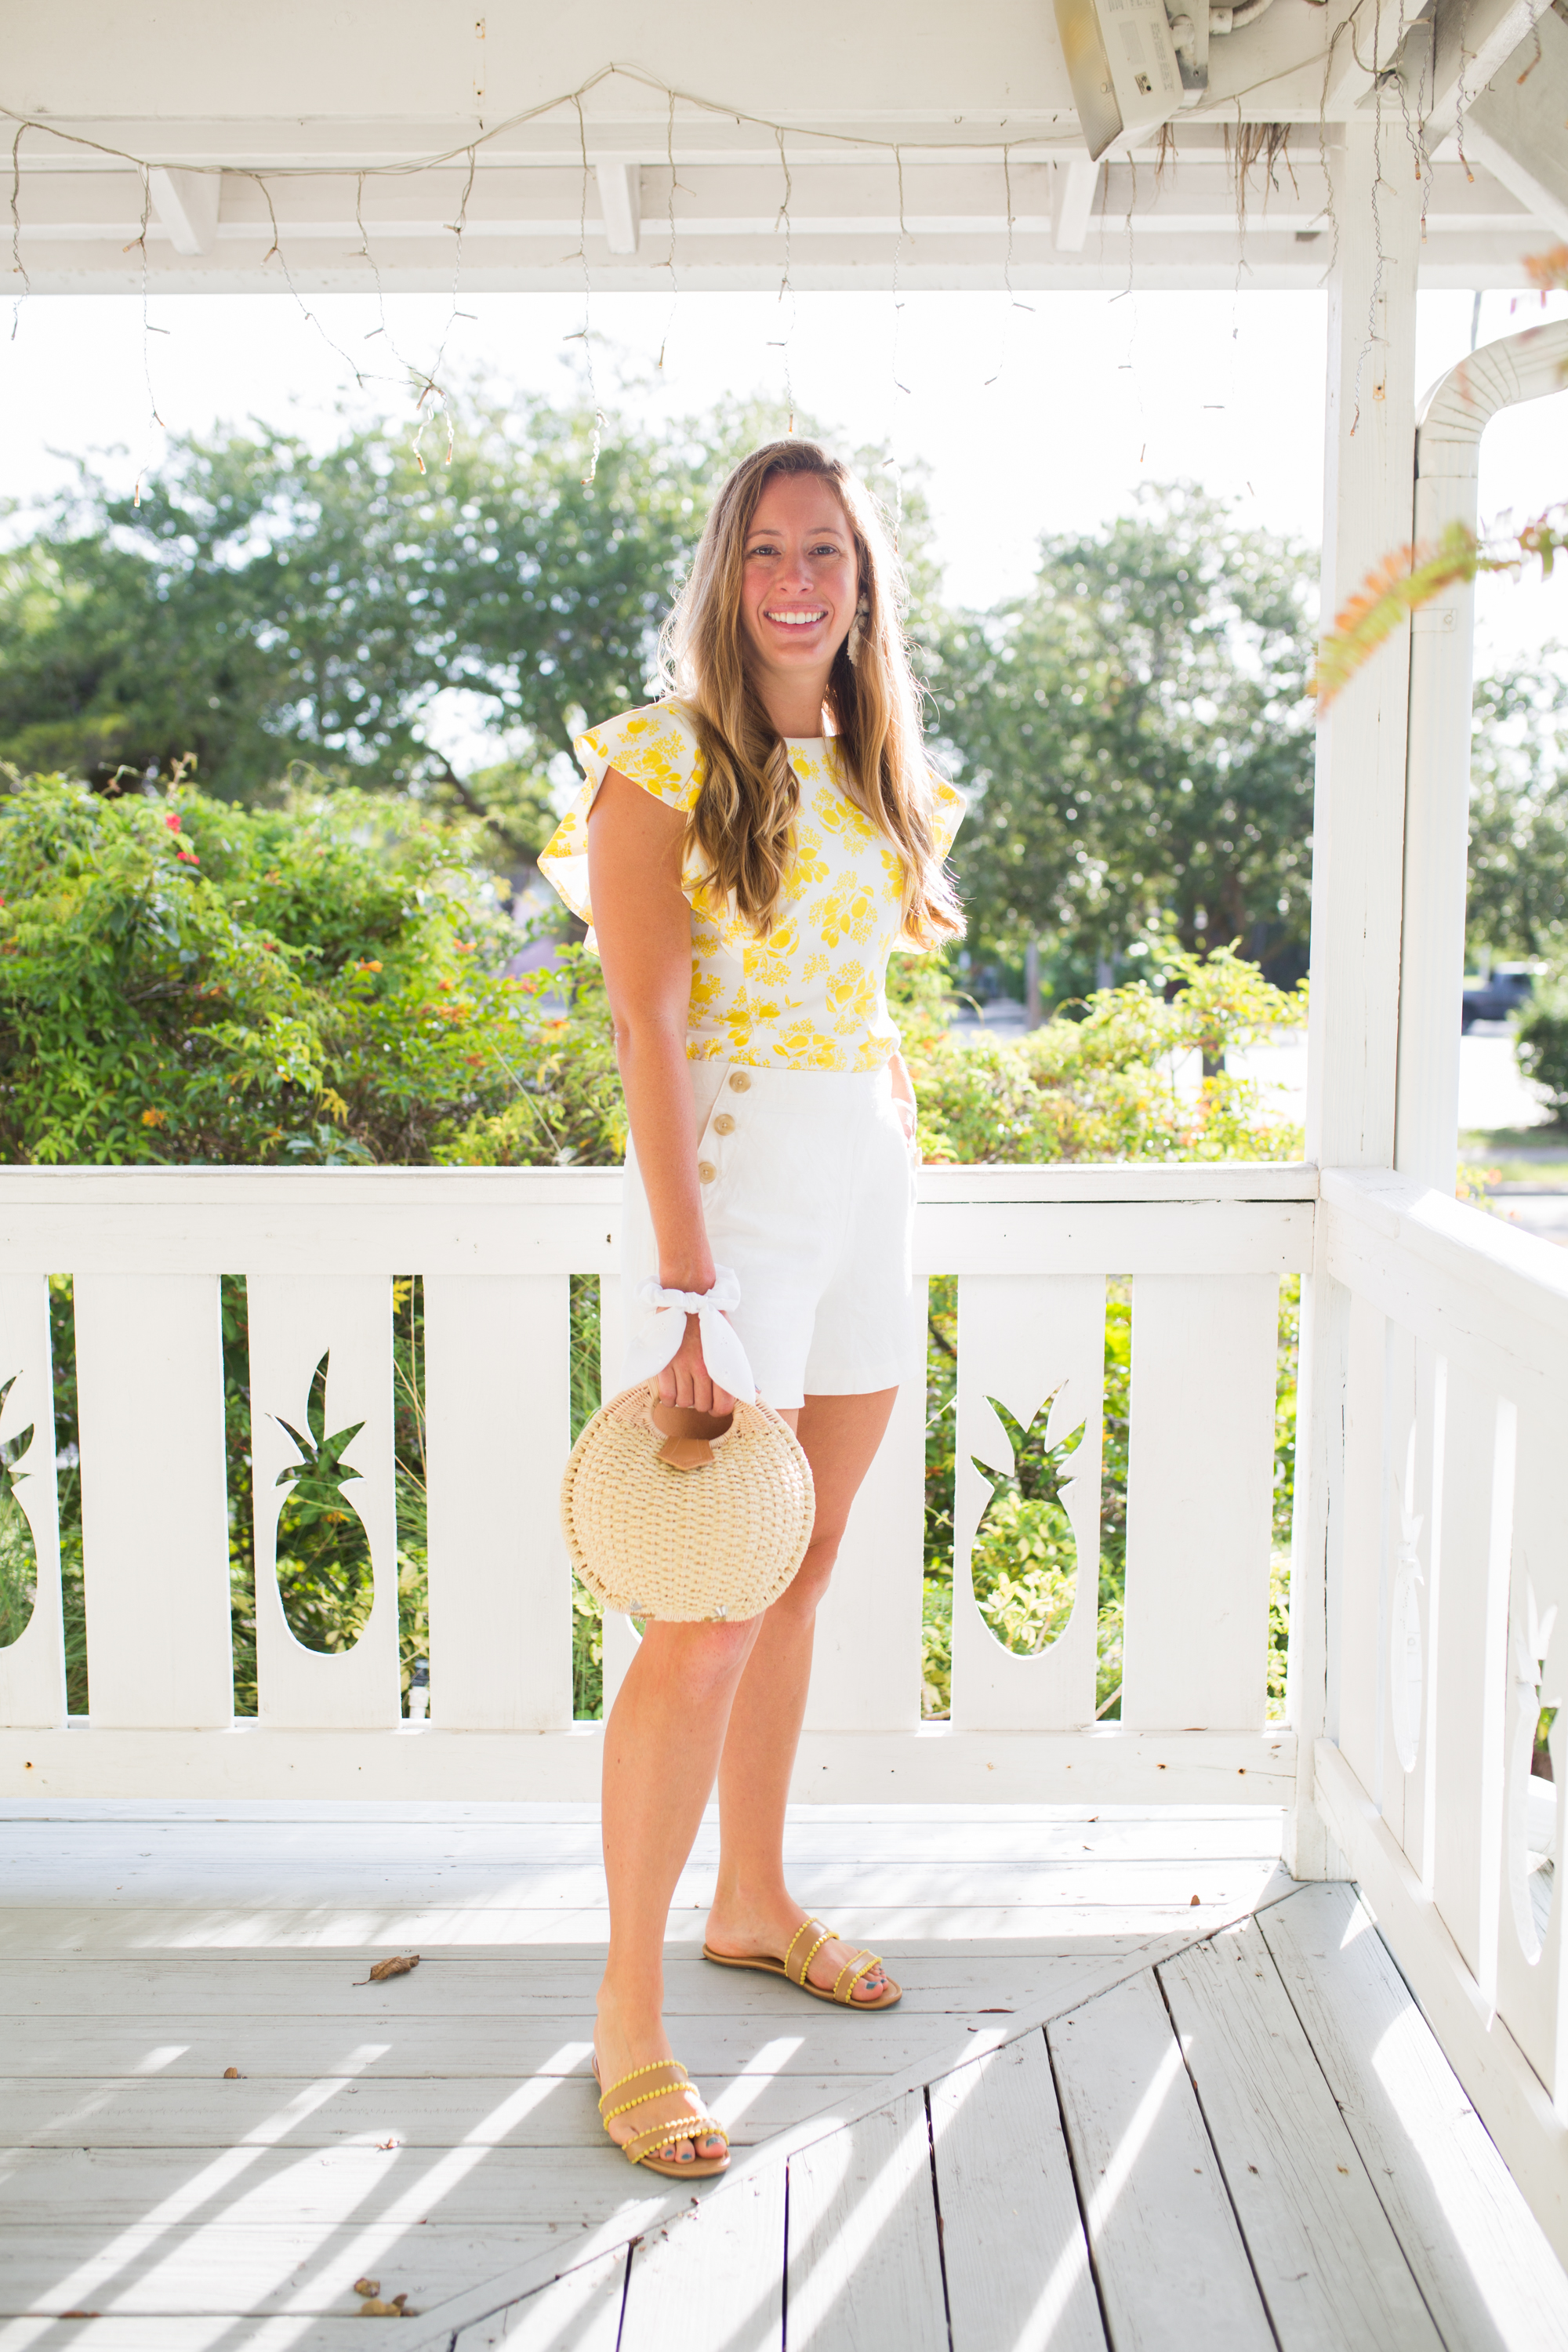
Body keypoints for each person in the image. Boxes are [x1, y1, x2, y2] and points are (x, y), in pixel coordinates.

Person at [539, 437, 964, 2177]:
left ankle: (755, 1899)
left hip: (859, 1188)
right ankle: (626, 2018)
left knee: (799, 1571)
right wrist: (692, 1295)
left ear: (864, 585)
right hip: (723, 1221)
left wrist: (886, 1162)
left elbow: (863, 1000)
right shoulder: (659, 765)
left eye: (829, 554)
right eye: (768, 551)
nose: (797, 580)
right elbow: (646, 1029)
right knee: (697, 1613)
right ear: (729, 576)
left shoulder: (878, 773)